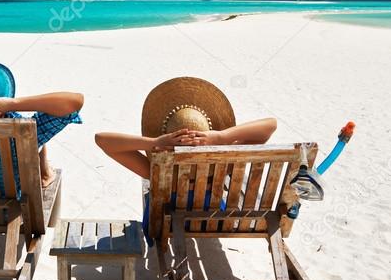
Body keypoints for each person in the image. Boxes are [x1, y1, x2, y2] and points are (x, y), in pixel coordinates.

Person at [95, 77, 276, 239]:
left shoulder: (157, 170)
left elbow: (102, 140)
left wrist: (154, 142)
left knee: (150, 187)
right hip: (214, 219)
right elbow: (270, 126)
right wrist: (221, 137)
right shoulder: (222, 161)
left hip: (167, 222)